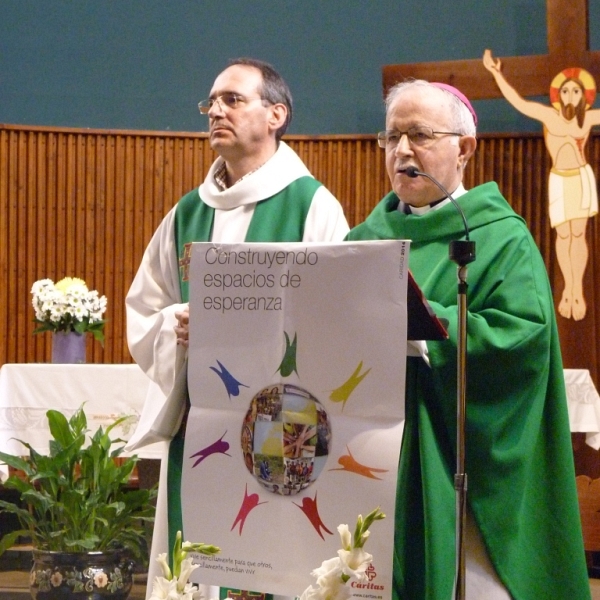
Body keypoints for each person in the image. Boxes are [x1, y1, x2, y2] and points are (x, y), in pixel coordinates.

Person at [346, 79, 590, 599]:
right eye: (391, 137)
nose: (402, 150)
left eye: (420, 135)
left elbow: (521, 340)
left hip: (454, 462)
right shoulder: (362, 242)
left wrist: (431, 324)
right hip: (369, 456)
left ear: (465, 149)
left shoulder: (501, 237)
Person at [125, 57, 349, 599]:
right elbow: (144, 308)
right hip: (201, 421)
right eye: (211, 102)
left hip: (282, 428)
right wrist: (175, 325)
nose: (216, 111)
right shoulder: (186, 214)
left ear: (276, 114)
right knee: (197, 559)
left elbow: (341, 314)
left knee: (270, 561)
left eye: (232, 99)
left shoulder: (312, 204)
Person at [483, 49, 600, 321]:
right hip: (559, 179)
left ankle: (575, 290)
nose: (571, 96)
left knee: (578, 235)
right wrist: (495, 72)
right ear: (560, 94)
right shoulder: (549, 116)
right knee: (563, 235)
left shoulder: (589, 118)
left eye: (577, 92)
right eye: (567, 91)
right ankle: (566, 291)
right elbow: (518, 102)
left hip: (581, 178)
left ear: (585, 95)